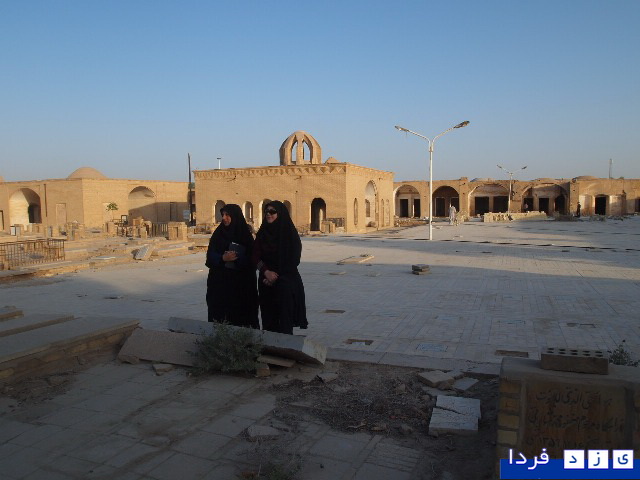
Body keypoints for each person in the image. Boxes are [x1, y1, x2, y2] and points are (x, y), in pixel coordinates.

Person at [252, 201, 308, 334]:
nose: (268, 214)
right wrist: (266, 272)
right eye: (266, 212)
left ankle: (285, 346)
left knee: (284, 320)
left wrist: (275, 276)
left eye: (272, 212)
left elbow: (293, 259)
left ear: (280, 214)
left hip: (285, 281)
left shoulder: (289, 234)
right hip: (266, 282)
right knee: (268, 319)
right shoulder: (262, 233)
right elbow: (255, 256)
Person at [205, 204, 259, 328]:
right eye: (223, 215)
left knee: (241, 320)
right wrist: (222, 258)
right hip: (220, 286)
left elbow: (252, 260)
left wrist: (237, 257)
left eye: (227, 215)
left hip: (241, 286)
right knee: (220, 318)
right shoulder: (218, 234)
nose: (224, 218)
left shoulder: (245, 235)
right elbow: (210, 256)